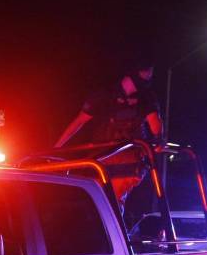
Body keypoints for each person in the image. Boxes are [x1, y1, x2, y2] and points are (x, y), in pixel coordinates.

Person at [54, 61, 164, 205]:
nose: (148, 77)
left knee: (111, 202)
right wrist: (55, 149)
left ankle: (111, 215)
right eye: (146, 73)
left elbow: (156, 125)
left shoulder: (146, 97)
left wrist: (158, 140)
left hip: (127, 161)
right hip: (103, 159)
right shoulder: (105, 95)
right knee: (100, 202)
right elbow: (79, 122)